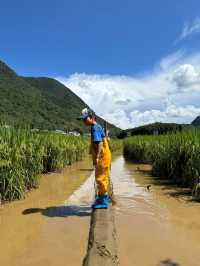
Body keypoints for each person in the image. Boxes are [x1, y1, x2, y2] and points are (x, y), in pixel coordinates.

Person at [78, 107, 111, 209]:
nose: (83, 121)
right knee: (102, 177)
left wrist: (97, 157)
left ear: (92, 117)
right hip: (104, 156)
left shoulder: (94, 127)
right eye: (82, 119)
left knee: (100, 178)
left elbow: (100, 143)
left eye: (85, 118)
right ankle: (102, 198)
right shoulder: (96, 126)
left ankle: (103, 201)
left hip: (102, 156)